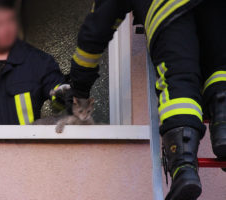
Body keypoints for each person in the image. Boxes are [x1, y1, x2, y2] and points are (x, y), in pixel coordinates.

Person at [69, 0, 226, 199]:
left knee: (179, 82)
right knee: (220, 67)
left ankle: (183, 168)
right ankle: (223, 128)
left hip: (167, 8)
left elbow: (99, 23)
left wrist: (79, 85)